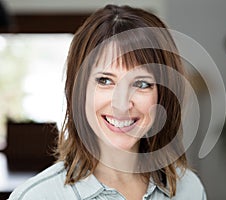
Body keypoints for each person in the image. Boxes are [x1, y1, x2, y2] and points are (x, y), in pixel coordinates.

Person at [9, 4, 207, 200]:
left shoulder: (189, 189)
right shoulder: (36, 196)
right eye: (105, 80)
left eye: (141, 83)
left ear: (162, 95)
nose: (121, 104)